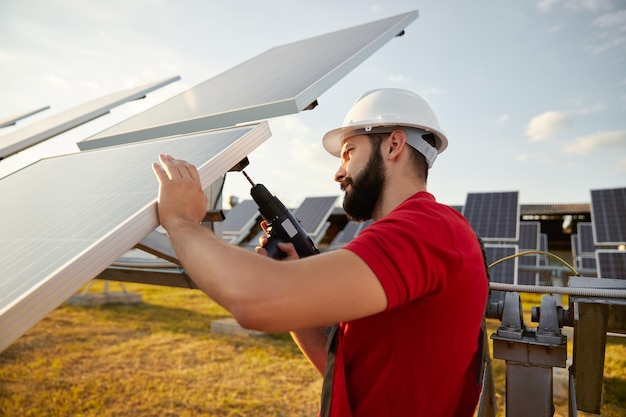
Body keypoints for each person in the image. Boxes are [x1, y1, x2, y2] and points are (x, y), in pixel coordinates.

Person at [152, 88, 489, 416]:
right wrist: (296, 290)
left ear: (394, 145)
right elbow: (345, 373)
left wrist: (180, 220)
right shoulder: (422, 232)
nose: (339, 172)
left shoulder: (426, 230)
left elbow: (254, 300)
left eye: (349, 152)